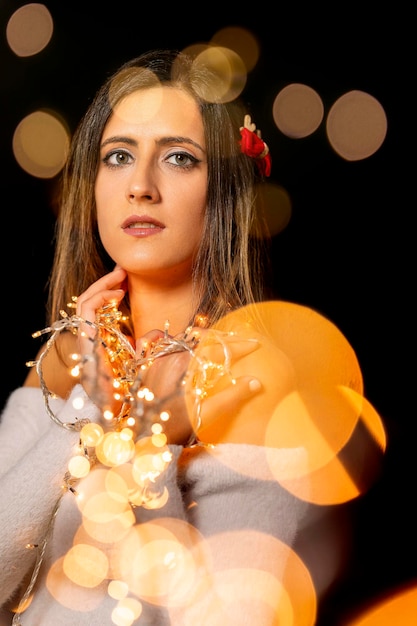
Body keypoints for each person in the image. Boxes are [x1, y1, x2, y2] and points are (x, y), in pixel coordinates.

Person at [0, 49, 385, 626]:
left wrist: (150, 444)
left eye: (180, 158)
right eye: (118, 156)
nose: (140, 186)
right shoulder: (65, 353)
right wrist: (92, 418)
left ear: (226, 189)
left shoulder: (255, 380)